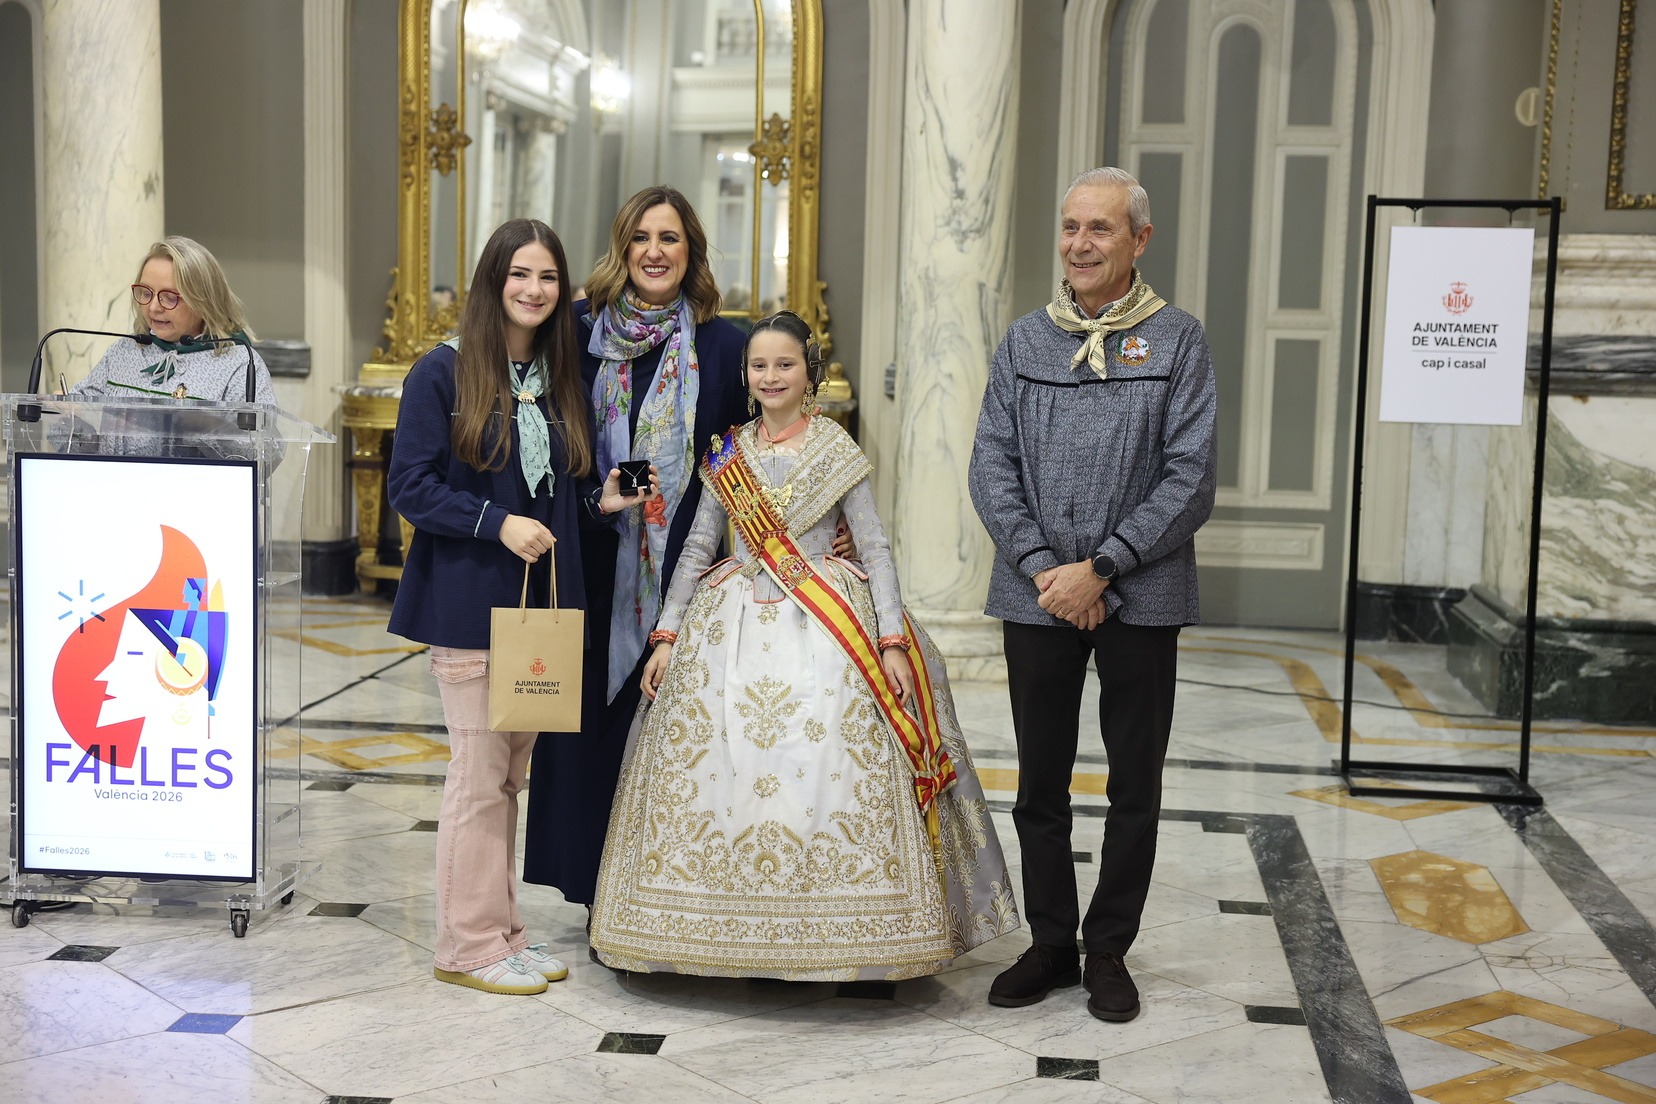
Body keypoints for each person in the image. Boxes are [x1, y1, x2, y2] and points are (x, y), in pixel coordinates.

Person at [588, 310, 1018, 979]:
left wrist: (892, 640)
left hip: (827, 621)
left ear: (807, 373)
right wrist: (668, 635)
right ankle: (711, 928)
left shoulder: (837, 450)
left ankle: (850, 932)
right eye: (759, 366)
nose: (770, 377)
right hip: (730, 619)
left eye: (784, 365)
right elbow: (699, 547)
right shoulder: (727, 454)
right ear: (745, 375)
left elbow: (874, 547)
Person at [967, 167, 1217, 1022]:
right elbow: (991, 465)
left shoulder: (1179, 340)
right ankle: (1049, 943)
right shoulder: (1023, 341)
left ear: (1139, 239)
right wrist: (1049, 569)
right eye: (1071, 226)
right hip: (1036, 594)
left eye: (1100, 229)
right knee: (1039, 781)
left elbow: (1191, 477)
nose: (1080, 244)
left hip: (1141, 596)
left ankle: (1107, 949)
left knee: (1133, 784)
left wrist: (1103, 567)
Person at [387, 218, 652, 995]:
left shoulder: (553, 380)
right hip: (470, 604)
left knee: (506, 780)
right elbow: (411, 486)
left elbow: (558, 494)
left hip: (539, 614)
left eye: (547, 278)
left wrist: (601, 501)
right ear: (493, 282)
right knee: (477, 778)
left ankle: (503, 934)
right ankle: (466, 946)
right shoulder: (442, 372)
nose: (534, 290)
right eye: (520, 275)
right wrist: (495, 522)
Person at [521, 186, 750, 931]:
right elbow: (544, 445)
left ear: (691, 252)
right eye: (641, 237)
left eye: (670, 238)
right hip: (588, 564)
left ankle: (664, 897)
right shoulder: (577, 333)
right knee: (591, 738)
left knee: (669, 745)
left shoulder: (724, 346)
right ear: (622, 248)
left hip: (684, 576)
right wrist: (597, 502)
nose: (655, 251)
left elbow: (750, 461)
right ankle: (600, 900)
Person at [70, 236, 278, 406]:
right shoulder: (124, 352)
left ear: (203, 301)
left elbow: (262, 440)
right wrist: (64, 412)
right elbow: (80, 424)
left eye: (169, 297)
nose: (153, 307)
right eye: (146, 293)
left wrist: (202, 426)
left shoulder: (240, 364)